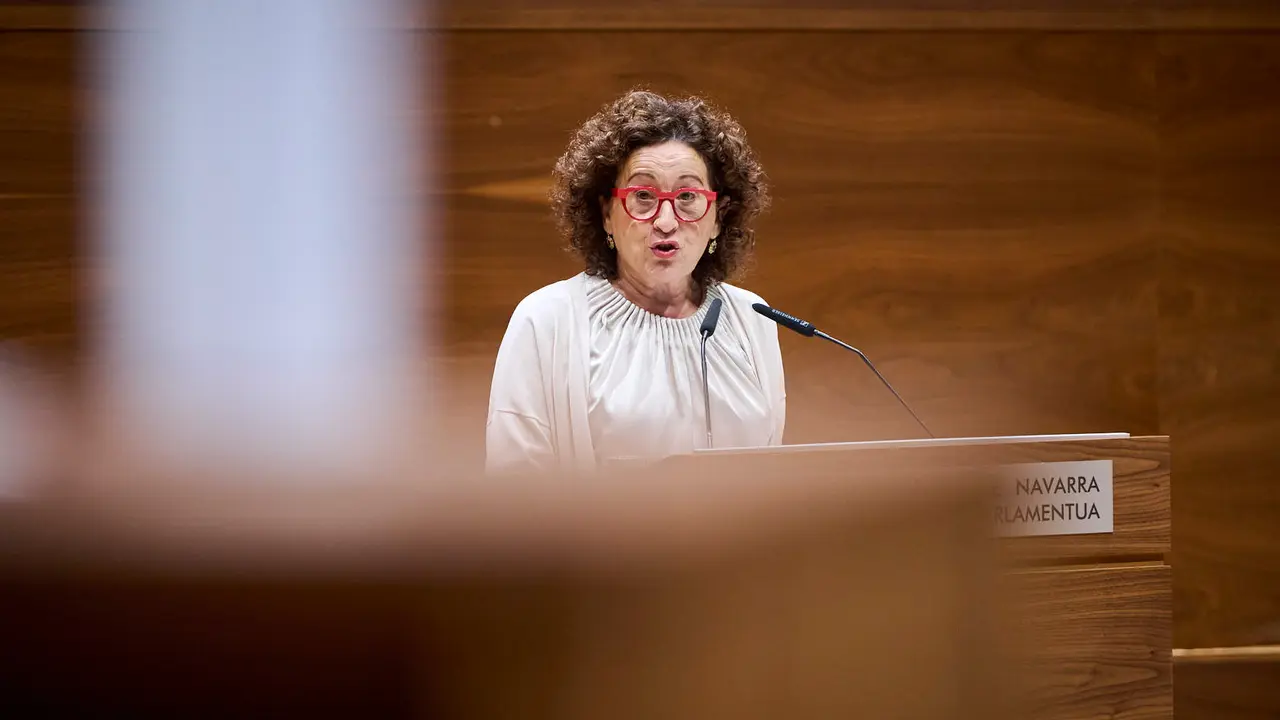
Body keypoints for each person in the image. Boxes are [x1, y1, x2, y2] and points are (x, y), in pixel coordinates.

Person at [485, 89, 786, 475]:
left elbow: (770, 475)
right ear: (606, 213)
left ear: (718, 217)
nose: (666, 221)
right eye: (643, 195)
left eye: (688, 196)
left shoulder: (752, 318)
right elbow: (516, 488)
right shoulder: (546, 320)